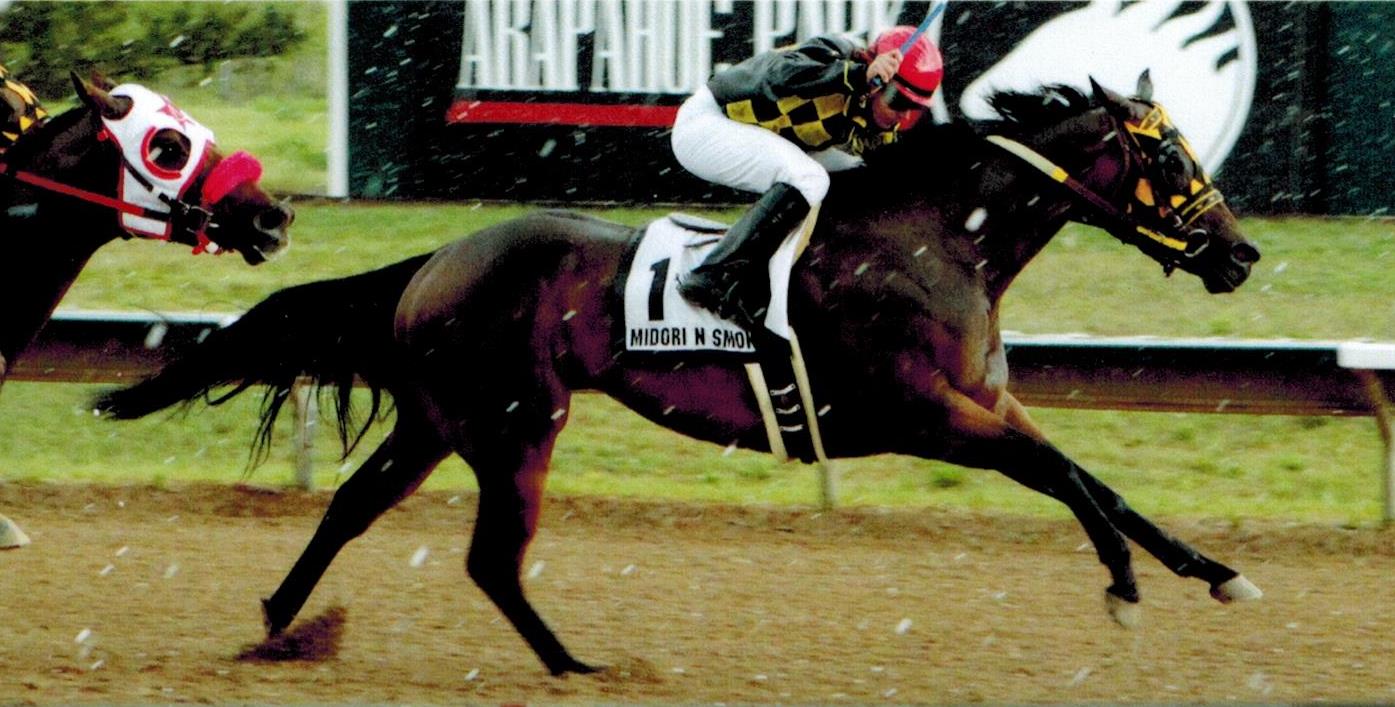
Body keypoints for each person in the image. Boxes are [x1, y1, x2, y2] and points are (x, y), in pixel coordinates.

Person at [671, 26, 944, 328]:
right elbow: (779, 75)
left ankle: (815, 275)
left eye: (915, 110)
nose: (903, 117)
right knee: (810, 179)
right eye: (898, 101)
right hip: (707, 124)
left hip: (762, 134)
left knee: (857, 175)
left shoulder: (879, 120)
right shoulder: (834, 51)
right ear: (874, 72)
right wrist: (857, 76)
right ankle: (713, 276)